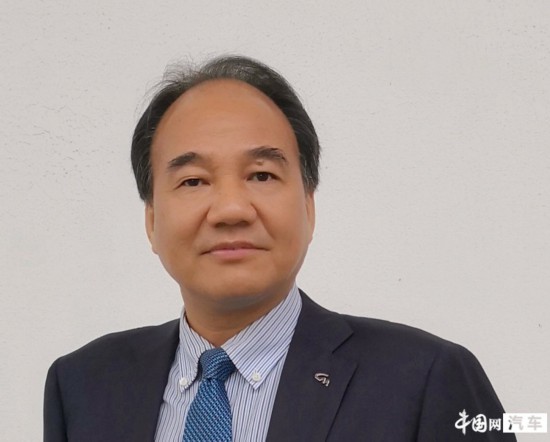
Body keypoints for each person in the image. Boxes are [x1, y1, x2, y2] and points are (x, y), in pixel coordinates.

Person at [44, 56, 516, 441]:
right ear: (151, 221)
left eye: (262, 175)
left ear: (308, 206)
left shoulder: (426, 379)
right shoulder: (83, 385)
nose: (231, 209)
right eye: (193, 181)